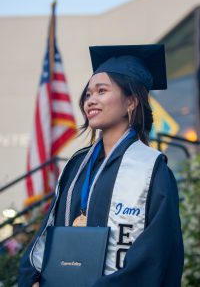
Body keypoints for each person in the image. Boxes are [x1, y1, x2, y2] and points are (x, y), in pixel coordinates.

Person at [19, 44, 184, 287]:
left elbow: (156, 254)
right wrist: (34, 278)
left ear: (131, 101)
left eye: (101, 91)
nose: (90, 101)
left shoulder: (152, 170)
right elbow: (48, 231)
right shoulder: (76, 167)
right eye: (88, 94)